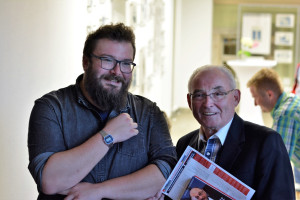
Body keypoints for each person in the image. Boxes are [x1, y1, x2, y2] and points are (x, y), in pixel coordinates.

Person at [27, 23, 177, 200]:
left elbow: (168, 172)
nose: (116, 72)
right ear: (86, 62)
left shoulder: (149, 113)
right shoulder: (52, 108)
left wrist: (97, 191)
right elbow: (50, 181)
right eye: (107, 60)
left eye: (126, 63)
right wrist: (108, 136)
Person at [176, 65, 295, 199]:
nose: (208, 103)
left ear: (236, 98)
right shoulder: (183, 144)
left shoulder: (266, 143)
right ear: (189, 101)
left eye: (218, 94)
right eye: (199, 95)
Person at [247, 68, 300, 185]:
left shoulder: (285, 114)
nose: (255, 103)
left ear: (269, 94)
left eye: (255, 97)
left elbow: (277, 162)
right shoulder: (292, 102)